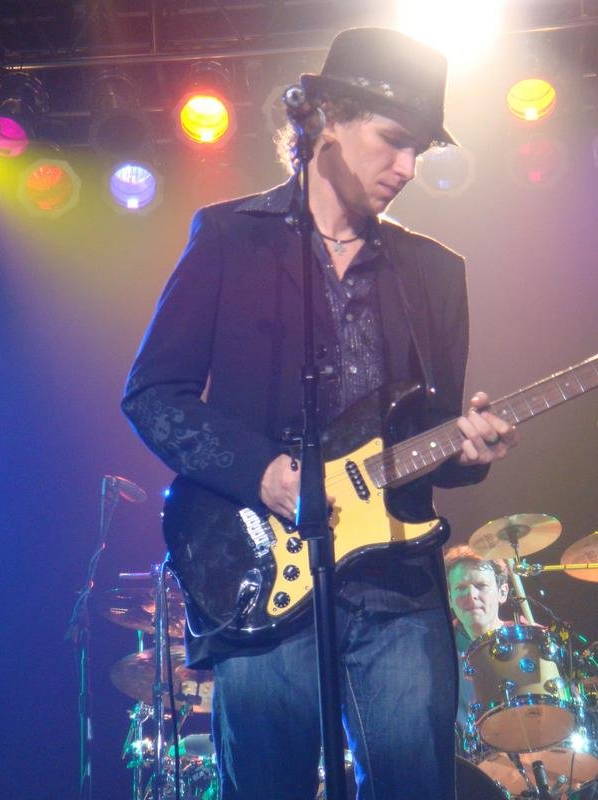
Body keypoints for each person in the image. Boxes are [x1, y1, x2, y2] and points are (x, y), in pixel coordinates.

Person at [122, 27, 518, 800]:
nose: (408, 168)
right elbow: (152, 395)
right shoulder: (230, 238)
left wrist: (467, 451)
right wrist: (263, 471)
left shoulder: (435, 274)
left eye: (420, 151)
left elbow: (429, 434)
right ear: (328, 117)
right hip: (259, 571)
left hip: (397, 584)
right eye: (394, 141)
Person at [444, 545, 511, 743]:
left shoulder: (530, 640)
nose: (471, 595)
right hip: (466, 758)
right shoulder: (437, 648)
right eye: (461, 588)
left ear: (503, 592)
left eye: (481, 585)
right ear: (450, 598)